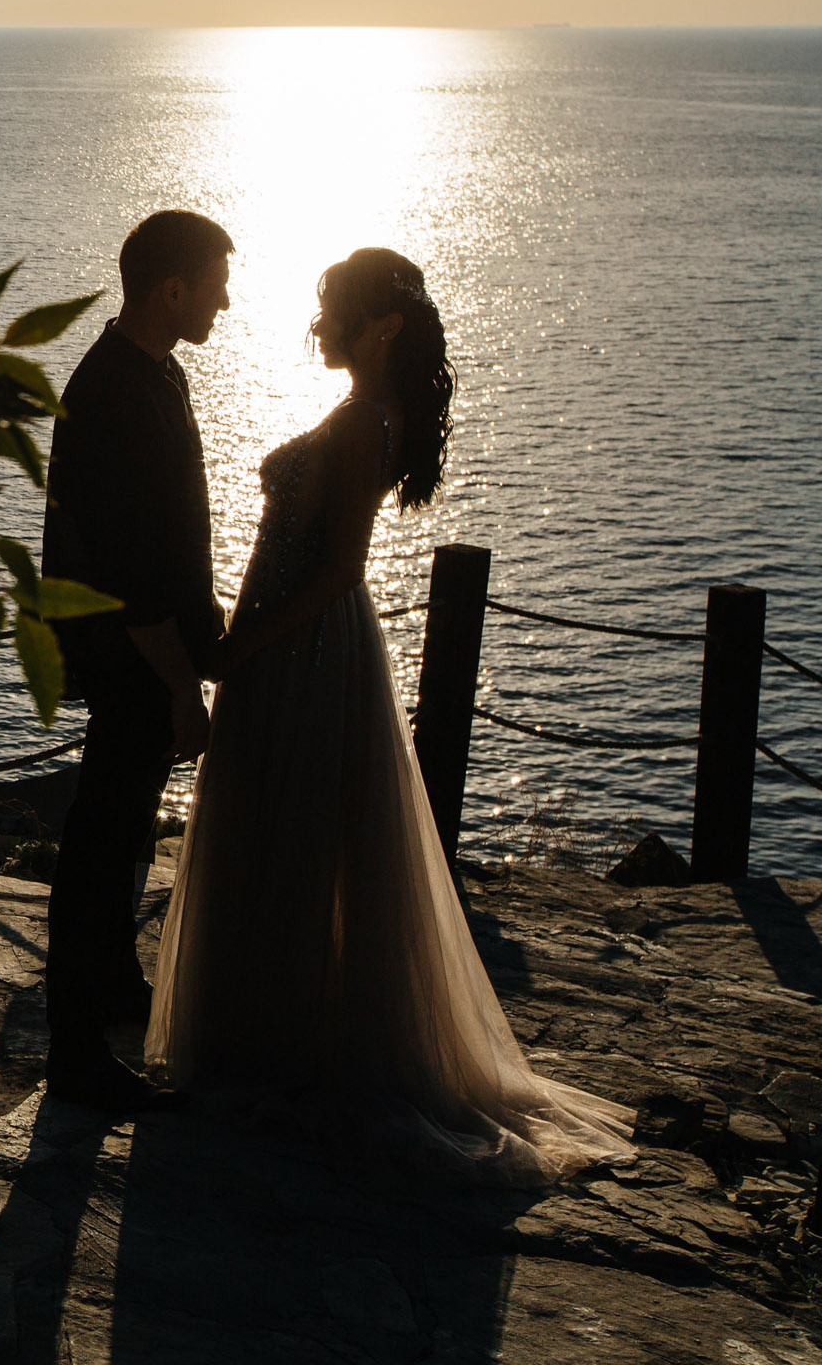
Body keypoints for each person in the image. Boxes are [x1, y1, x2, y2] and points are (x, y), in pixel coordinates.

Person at [146, 248, 635, 1181]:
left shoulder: (370, 419)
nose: (318, 323)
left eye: (334, 307)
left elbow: (338, 572)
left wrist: (238, 650)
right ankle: (262, 1036)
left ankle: (282, 1049)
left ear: (387, 326)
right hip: (283, 647)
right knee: (272, 836)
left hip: (307, 654)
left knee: (295, 841)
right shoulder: (361, 411)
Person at [40, 209, 233, 1111]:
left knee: (119, 840)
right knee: (99, 844)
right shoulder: (115, 393)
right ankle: (76, 1049)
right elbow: (126, 575)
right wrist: (179, 685)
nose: (225, 303)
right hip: (129, 660)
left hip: (144, 652)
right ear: (171, 289)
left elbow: (172, 540)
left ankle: (112, 990)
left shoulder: (155, 377)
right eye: (216, 285)